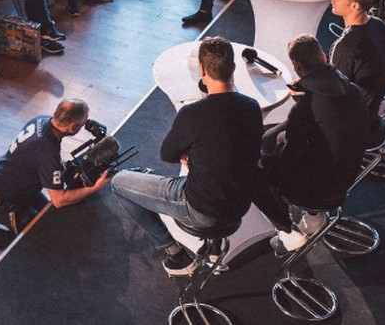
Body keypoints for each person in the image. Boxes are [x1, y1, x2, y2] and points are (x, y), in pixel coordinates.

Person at [112, 37, 273, 275]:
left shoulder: (193, 113)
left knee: (119, 183)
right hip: (238, 205)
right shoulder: (251, 107)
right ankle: (214, 248)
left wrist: (190, 152)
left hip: (201, 209)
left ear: (202, 71)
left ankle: (175, 254)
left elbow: (167, 153)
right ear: (233, 69)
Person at [254, 35, 371, 252]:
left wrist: (265, 164)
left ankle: (286, 231)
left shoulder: (306, 108)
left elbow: (290, 160)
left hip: (319, 188)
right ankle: (313, 218)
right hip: (347, 173)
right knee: (269, 137)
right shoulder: (351, 89)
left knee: (251, 169)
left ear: (297, 66)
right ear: (324, 57)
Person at [0, 98, 112, 237]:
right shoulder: (47, 151)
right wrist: (95, 187)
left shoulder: (42, 120)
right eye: (83, 123)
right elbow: (59, 200)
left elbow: (39, 158)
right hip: (5, 201)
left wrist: (61, 166)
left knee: (52, 217)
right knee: (42, 241)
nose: (86, 124)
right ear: (72, 127)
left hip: (7, 179)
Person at [329, 0, 385, 147]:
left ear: (355, 6)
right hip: (371, 110)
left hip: (353, 122)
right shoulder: (378, 24)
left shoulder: (346, 47)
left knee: (274, 136)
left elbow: (334, 95)